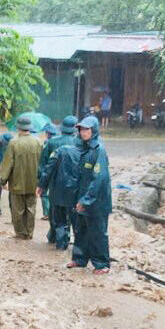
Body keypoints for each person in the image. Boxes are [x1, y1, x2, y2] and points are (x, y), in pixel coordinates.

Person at [68, 116, 112, 274]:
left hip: (97, 201)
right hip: (83, 197)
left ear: (94, 131)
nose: (83, 132)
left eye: (87, 129)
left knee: (98, 232)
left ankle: (102, 264)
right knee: (81, 230)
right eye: (81, 129)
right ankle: (79, 259)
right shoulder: (85, 148)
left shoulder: (99, 149)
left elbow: (99, 178)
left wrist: (86, 200)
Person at [0, 116, 43, 240]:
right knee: (31, 209)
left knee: (17, 211)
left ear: (18, 127)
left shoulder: (13, 142)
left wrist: (2, 180)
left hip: (17, 182)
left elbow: (8, 164)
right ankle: (29, 234)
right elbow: (42, 164)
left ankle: (20, 233)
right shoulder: (38, 142)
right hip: (33, 182)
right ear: (30, 128)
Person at [39, 115, 79, 242]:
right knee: (71, 214)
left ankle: (55, 237)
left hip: (55, 185)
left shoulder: (51, 142)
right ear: (75, 129)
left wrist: (41, 184)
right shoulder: (80, 143)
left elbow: (43, 165)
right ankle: (65, 239)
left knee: (55, 213)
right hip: (74, 186)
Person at [37, 142, 81, 250]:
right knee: (77, 222)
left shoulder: (58, 151)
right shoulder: (82, 153)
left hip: (58, 193)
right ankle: (79, 248)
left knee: (60, 221)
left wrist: (42, 185)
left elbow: (48, 170)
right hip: (75, 193)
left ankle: (61, 246)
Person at [39, 122, 59, 221]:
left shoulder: (48, 143)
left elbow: (43, 159)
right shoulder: (58, 141)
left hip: (48, 170)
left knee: (43, 192)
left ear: (48, 133)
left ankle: (47, 213)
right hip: (57, 172)